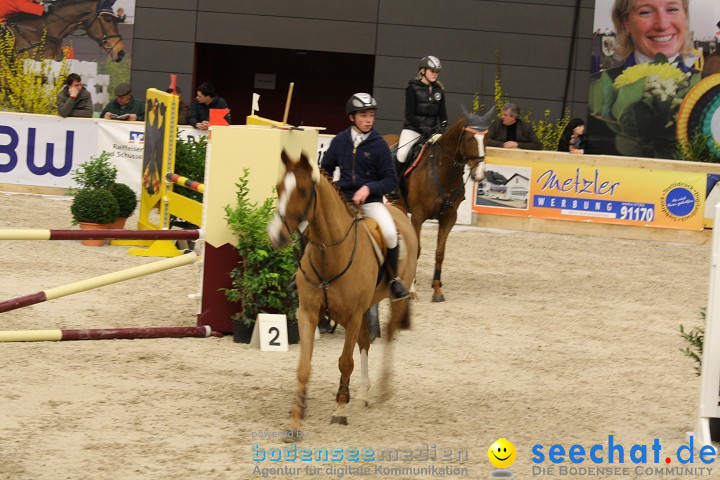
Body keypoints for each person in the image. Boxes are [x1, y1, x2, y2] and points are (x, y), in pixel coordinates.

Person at [320, 93, 409, 301]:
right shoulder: (340, 141)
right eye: (363, 115)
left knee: (389, 233)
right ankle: (303, 275)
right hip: (342, 201)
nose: (368, 119)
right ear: (352, 118)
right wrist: (332, 190)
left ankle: (393, 280)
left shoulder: (379, 145)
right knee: (313, 226)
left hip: (370, 203)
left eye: (371, 115)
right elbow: (325, 170)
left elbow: (391, 180)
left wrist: (368, 188)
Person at [608, 0, 693, 78]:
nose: (662, 25)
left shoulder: (706, 87)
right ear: (626, 22)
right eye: (646, 12)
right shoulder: (596, 88)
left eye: (672, 9)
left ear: (685, 14)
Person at [396, 55, 448, 169]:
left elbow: (443, 115)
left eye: (437, 72)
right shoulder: (412, 89)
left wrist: (442, 128)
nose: (435, 73)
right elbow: (409, 115)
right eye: (432, 71)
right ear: (423, 71)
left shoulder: (439, 91)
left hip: (433, 133)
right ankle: (395, 185)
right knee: (402, 154)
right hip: (413, 130)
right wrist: (423, 128)